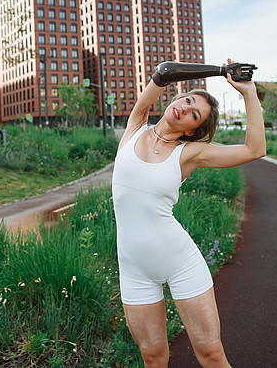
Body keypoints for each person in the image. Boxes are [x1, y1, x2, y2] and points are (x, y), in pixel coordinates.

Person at [112, 58, 266, 368]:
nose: (185, 108)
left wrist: (248, 92)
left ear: (194, 130)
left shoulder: (190, 154)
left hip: (180, 262)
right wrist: (220, 71)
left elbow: (254, 149)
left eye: (194, 113)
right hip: (133, 268)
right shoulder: (135, 125)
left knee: (210, 354)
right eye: (187, 100)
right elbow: (164, 72)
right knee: (153, 358)